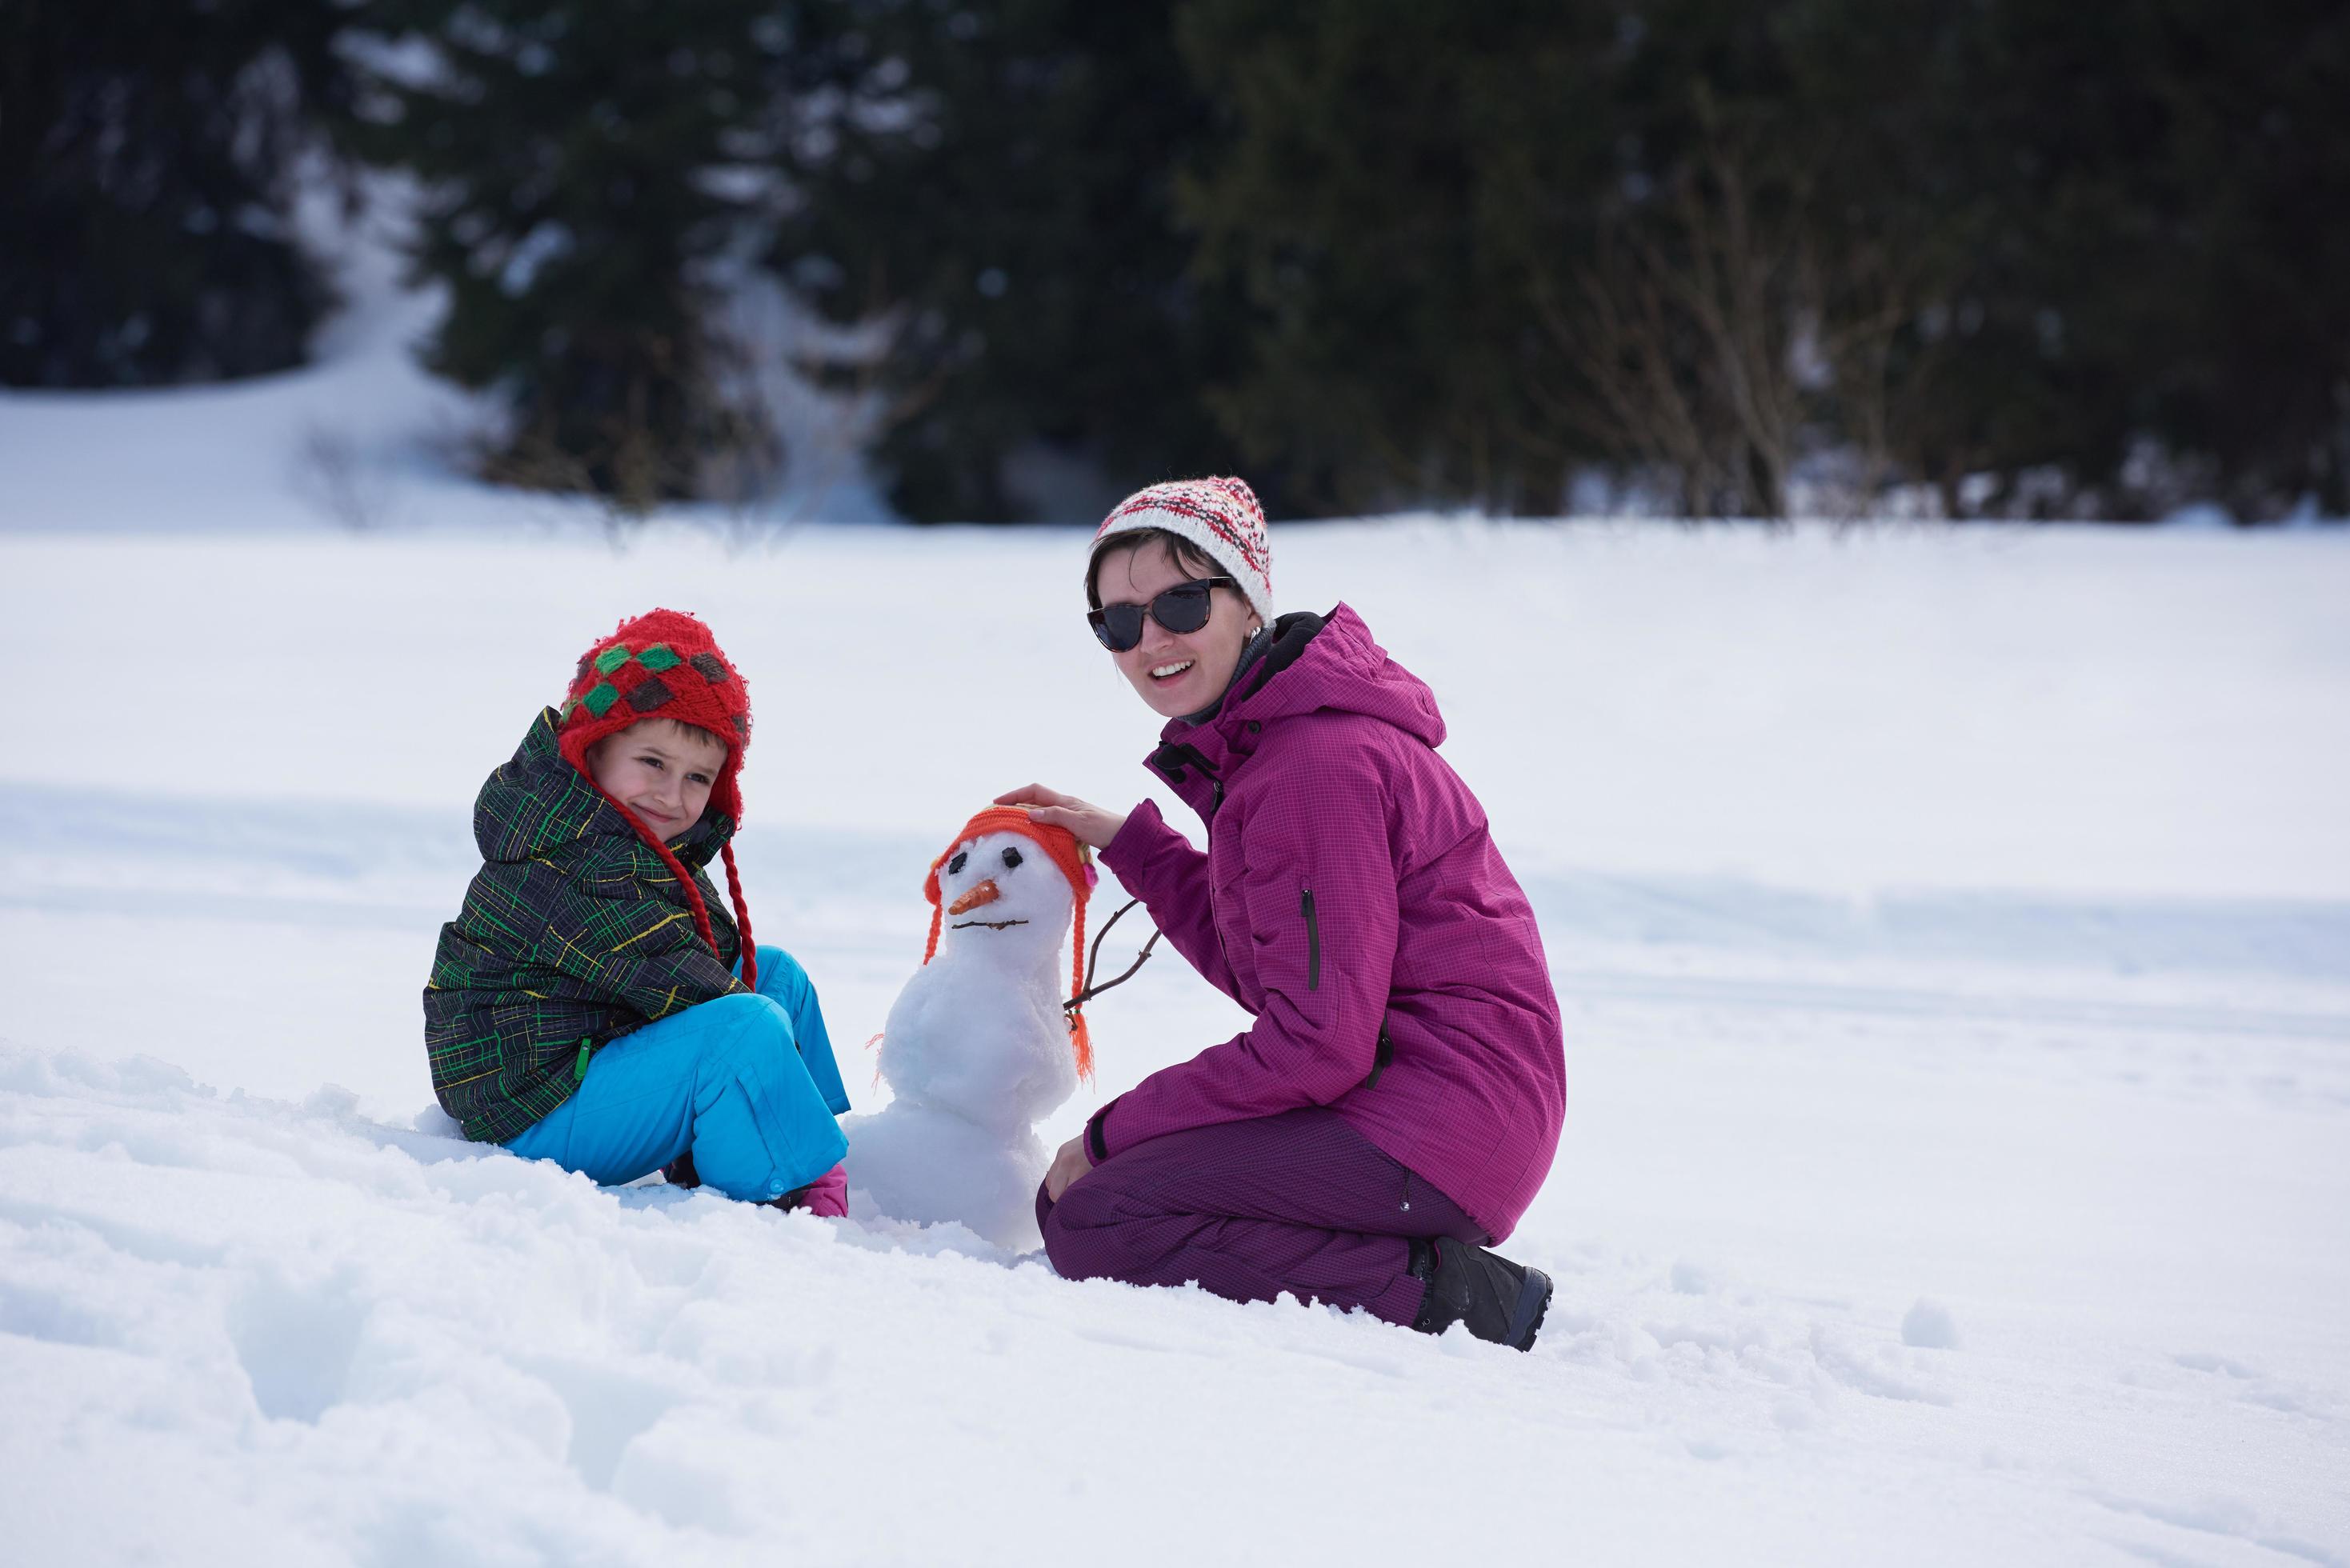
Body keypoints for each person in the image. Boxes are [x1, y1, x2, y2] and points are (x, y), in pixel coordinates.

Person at [1003, 477, 1566, 1349]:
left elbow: (1314, 1041)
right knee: (1090, 1199)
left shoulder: (1311, 765)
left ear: (1247, 602)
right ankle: (1393, 1252)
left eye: (1181, 603)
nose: (1151, 639)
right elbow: (1270, 974)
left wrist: (1111, 1130)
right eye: (1118, 622)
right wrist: (1137, 846)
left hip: (1443, 1118)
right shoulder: (1276, 744)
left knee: (1096, 1216)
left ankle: (1451, 1296)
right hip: (1440, 1108)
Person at [424, 607, 850, 1214]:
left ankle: (818, 1156)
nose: (672, 796)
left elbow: (706, 967)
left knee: (775, 974)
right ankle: (781, 1192)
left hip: (594, 1056)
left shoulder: (630, 840)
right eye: (652, 762)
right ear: (591, 748)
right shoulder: (572, 861)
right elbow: (691, 989)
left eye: (698, 778)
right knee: (744, 1026)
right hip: (531, 1110)